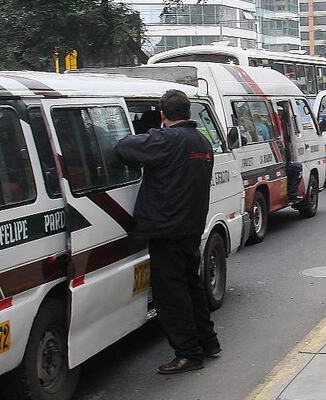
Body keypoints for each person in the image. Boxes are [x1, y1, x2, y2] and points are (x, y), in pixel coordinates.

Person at [115, 89, 221, 374]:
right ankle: (208, 342)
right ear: (187, 112)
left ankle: (188, 354)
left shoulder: (165, 139)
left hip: (166, 230)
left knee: (170, 294)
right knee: (191, 286)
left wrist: (148, 131)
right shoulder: (202, 142)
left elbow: (124, 148)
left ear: (163, 115)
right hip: (191, 226)